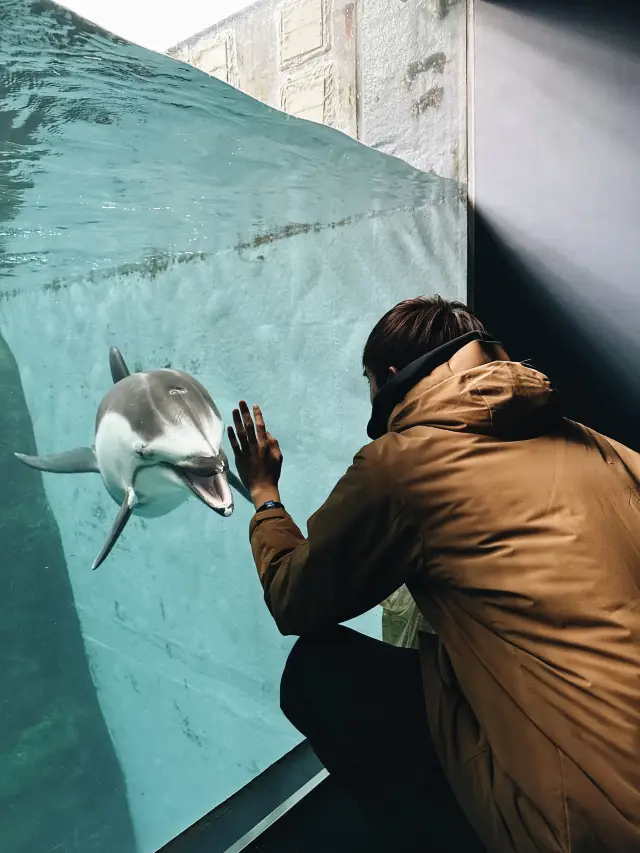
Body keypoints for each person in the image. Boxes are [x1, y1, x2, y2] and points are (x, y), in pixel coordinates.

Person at [228, 295, 640, 853]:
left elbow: (293, 598)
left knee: (316, 668)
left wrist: (264, 497)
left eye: (369, 382)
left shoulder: (404, 464)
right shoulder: (607, 449)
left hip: (577, 829)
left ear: (392, 377)